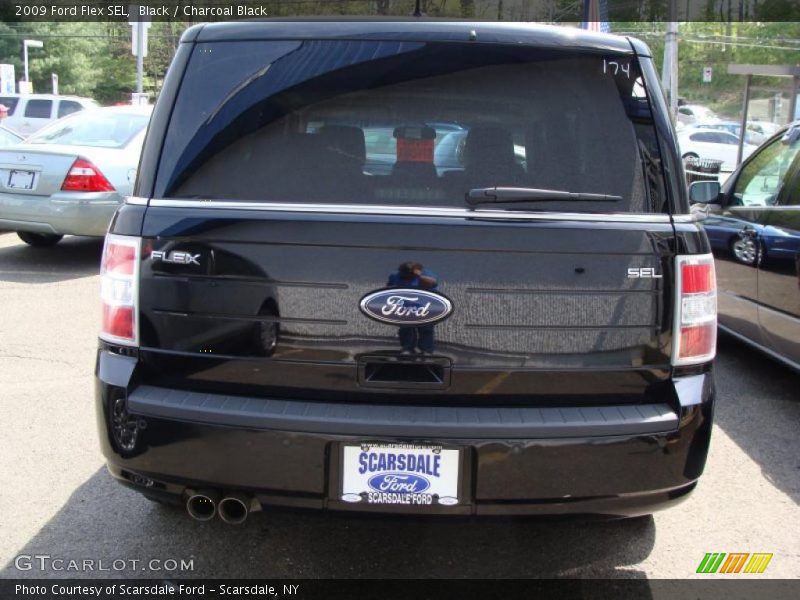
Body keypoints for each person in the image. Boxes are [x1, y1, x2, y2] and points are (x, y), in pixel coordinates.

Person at [386, 262, 439, 354]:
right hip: (405, 309)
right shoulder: (395, 276)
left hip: (424, 308)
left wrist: (419, 276)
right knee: (405, 328)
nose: (406, 277)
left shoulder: (425, 275)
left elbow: (432, 283)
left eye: (408, 275)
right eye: (403, 275)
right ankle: (407, 347)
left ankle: (426, 349)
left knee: (426, 329)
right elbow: (388, 288)